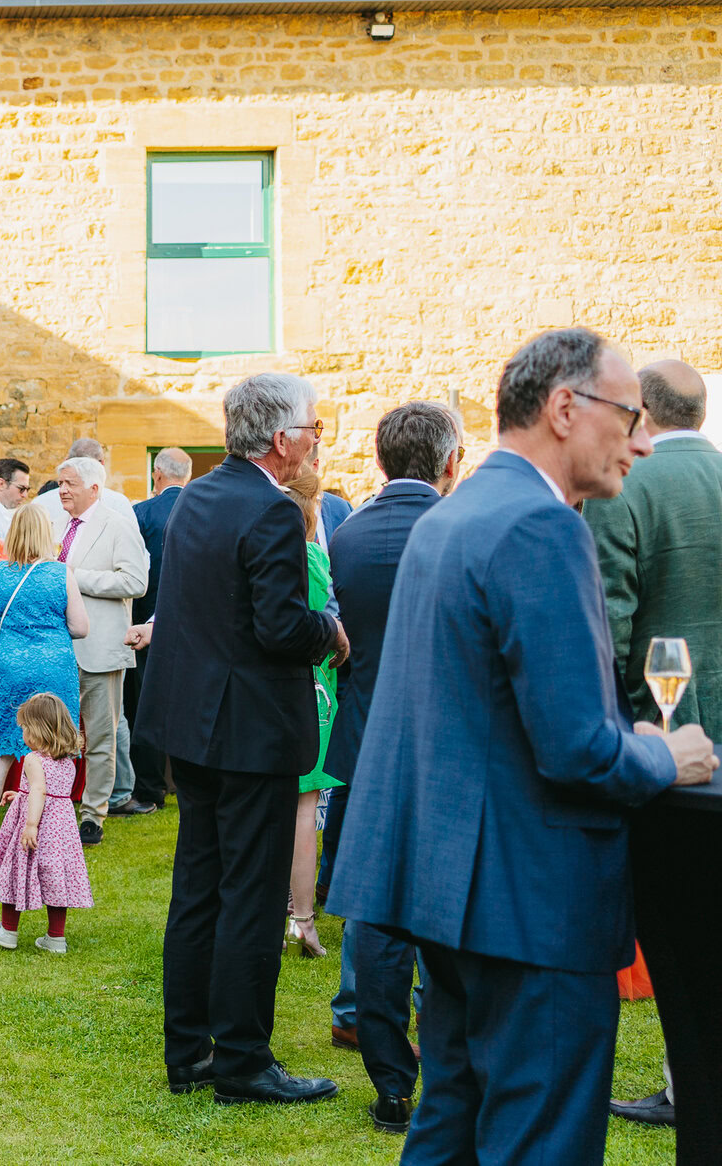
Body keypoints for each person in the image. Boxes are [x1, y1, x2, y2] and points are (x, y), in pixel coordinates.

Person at [333, 328, 717, 1161]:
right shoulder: (543, 527)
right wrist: (667, 754)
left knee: (454, 1121)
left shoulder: (457, 509)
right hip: (531, 898)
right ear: (565, 408)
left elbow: (486, 705)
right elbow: (577, 749)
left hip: (450, 885)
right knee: (540, 1138)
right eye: (632, 417)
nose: (645, 442)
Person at [134, 372, 348, 1104]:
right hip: (248, 732)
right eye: (315, 429)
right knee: (250, 896)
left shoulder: (198, 495)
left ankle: (190, 1049)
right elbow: (282, 626)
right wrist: (331, 630)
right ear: (283, 438)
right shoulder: (272, 511)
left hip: (191, 722)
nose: (318, 440)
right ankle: (244, 1061)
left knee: (198, 889)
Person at [586, 359, 722, 1142]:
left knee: (680, 958)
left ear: (644, 413)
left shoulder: (627, 488)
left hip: (668, 759)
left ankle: (688, 1093)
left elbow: (610, 629)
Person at [317, 399, 460, 1128]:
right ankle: (442, 1053)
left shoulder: (349, 534)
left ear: (379, 461)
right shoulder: (461, 529)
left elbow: (339, 635)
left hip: (366, 733)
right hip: (446, 743)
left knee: (374, 904)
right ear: (449, 461)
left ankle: (388, 1075)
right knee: (442, 900)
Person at [0, 503, 85, 856]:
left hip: (12, 665)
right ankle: (55, 826)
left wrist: (12, 627)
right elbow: (81, 627)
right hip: (55, 665)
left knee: (1, 746)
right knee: (58, 744)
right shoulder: (60, 572)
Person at [52, 456, 150, 846]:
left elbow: (136, 581)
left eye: (70, 483)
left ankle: (94, 815)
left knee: (101, 734)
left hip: (101, 645)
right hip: (58, 645)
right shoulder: (59, 526)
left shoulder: (118, 525)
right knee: (56, 732)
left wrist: (75, 578)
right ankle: (55, 806)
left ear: (94, 488)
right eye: (59, 483)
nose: (62, 490)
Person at [0, 692, 94, 954]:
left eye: (25, 728)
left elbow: (40, 789)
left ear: (39, 730)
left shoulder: (33, 759)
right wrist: (21, 794)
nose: (23, 734)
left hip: (37, 826)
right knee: (55, 879)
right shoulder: (68, 760)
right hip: (60, 832)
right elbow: (52, 792)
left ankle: (7, 930)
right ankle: (55, 938)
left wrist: (31, 824)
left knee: (15, 872)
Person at [280, 467, 337, 961]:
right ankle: (302, 919)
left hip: (273, 696)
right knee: (302, 812)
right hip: (311, 692)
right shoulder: (314, 558)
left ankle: (278, 911)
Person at [119, 447, 191, 814]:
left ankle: (150, 787)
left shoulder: (141, 514)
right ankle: (185, 781)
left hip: (146, 621)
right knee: (188, 701)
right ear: (187, 476)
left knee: (146, 705)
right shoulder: (200, 508)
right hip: (192, 622)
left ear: (157, 475)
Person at [36, 437, 135, 527]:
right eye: (61, 483)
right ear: (102, 464)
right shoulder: (119, 503)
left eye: (71, 483)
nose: (63, 491)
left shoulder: (40, 504)